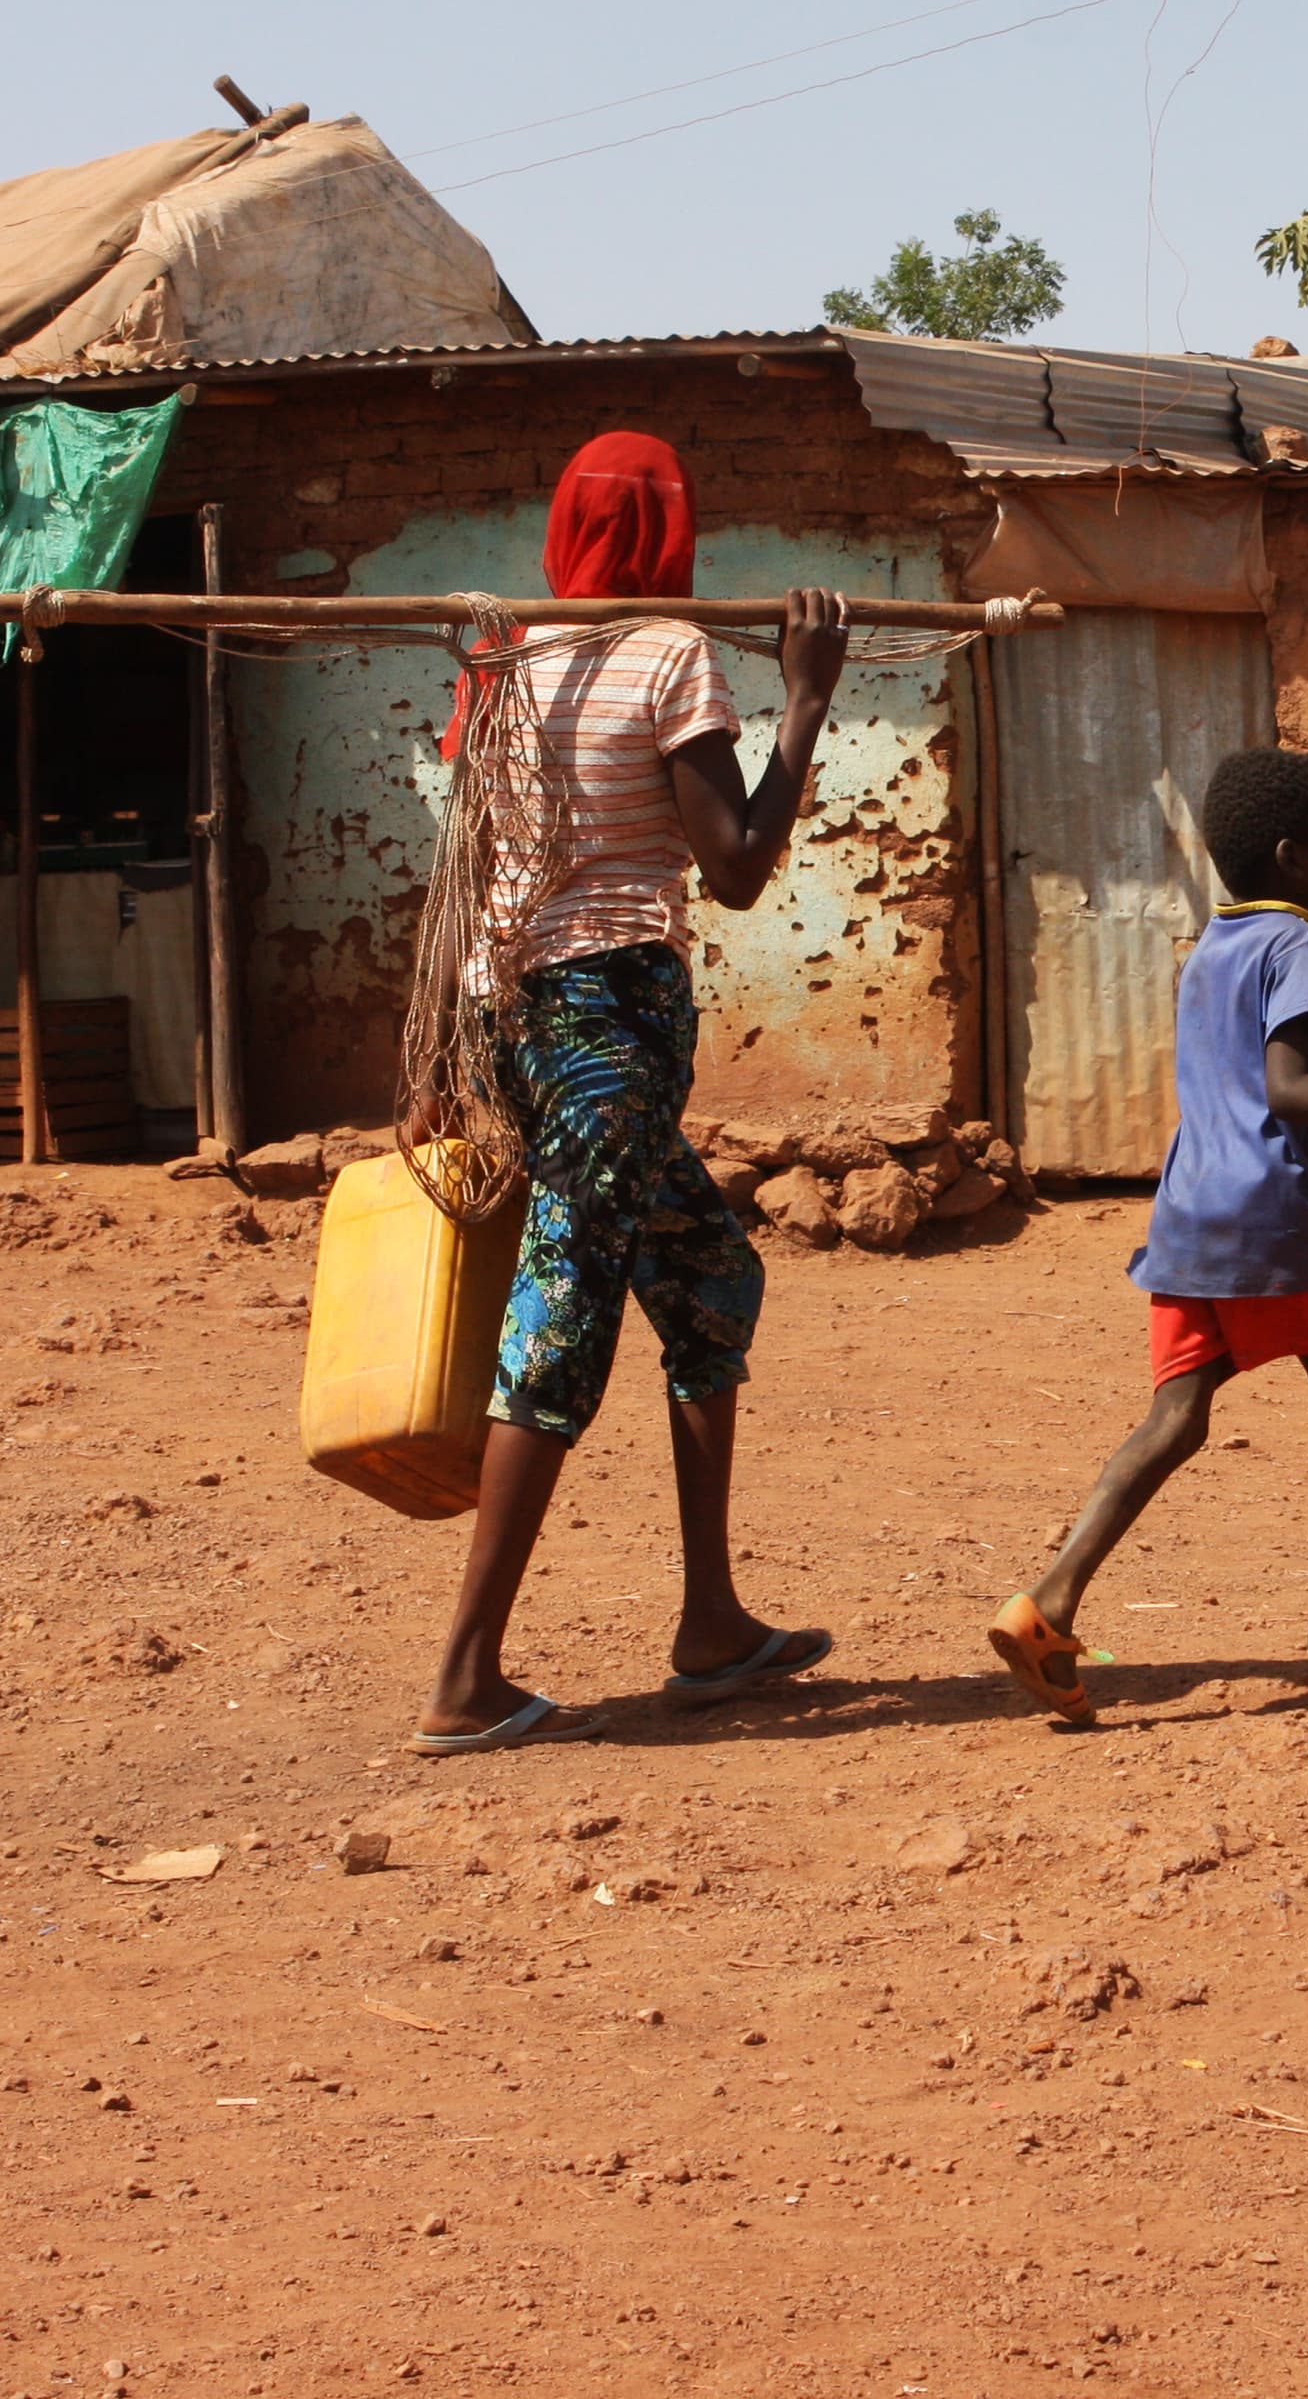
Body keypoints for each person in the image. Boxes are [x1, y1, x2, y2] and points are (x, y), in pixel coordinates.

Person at [409, 431, 849, 1752]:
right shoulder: (669, 652)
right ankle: (465, 1676)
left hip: (526, 1021)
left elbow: (474, 871)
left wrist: (460, 1043)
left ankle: (711, 1624)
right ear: (671, 531)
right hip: (607, 1022)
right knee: (568, 1300)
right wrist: (809, 701)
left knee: (711, 1275)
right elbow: (734, 869)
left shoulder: (507, 660)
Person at [989, 748, 1308, 1726]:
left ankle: (1046, 1604)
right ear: (1293, 855)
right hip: (1273, 1216)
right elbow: (1283, 1089)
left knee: (1175, 1418)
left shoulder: (1211, 950)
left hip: (1190, 1218)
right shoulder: (1301, 945)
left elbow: (1250, 1066)